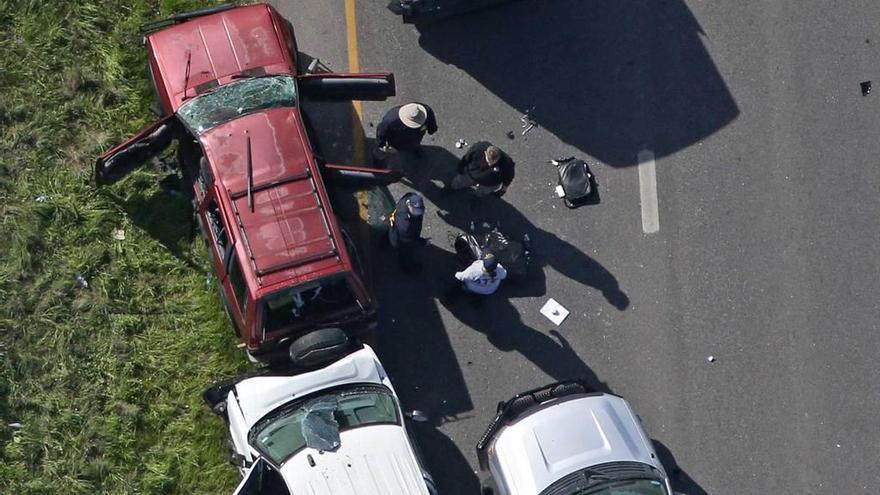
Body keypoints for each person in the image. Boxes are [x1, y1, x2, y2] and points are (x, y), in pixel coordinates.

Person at [448, 141, 515, 197]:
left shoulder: (507, 163)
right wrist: (461, 168)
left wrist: (503, 190)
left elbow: (508, 178)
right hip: (470, 175)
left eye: (493, 162)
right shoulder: (478, 148)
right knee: (458, 183)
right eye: (488, 161)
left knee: (481, 193)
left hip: (489, 184)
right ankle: (450, 189)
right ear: (485, 153)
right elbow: (466, 158)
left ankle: (476, 198)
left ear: (499, 157)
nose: (489, 164)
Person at [388, 192, 431, 271]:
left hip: (395, 229)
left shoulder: (408, 197)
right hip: (401, 242)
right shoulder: (406, 226)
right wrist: (423, 242)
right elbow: (410, 241)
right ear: (408, 204)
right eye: (415, 211)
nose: (417, 214)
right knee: (405, 256)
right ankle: (408, 269)